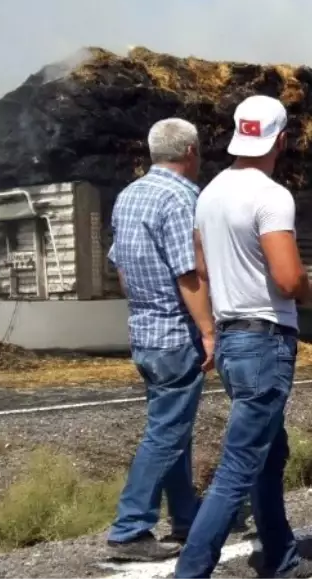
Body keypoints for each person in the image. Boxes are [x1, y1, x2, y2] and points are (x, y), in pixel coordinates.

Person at [175, 96, 312, 579]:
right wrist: (311, 290)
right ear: (280, 140)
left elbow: (200, 270)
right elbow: (287, 280)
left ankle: (281, 559)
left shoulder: (208, 194)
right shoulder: (271, 196)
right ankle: (191, 570)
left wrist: (209, 331)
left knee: (270, 453)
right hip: (266, 341)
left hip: (232, 339)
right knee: (238, 468)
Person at [105, 118, 215, 562]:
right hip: (175, 335)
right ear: (190, 152)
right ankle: (131, 528)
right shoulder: (184, 198)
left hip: (144, 332)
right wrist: (208, 331)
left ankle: (187, 517)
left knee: (175, 431)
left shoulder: (129, 195)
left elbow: (122, 267)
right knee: (167, 432)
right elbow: (189, 274)